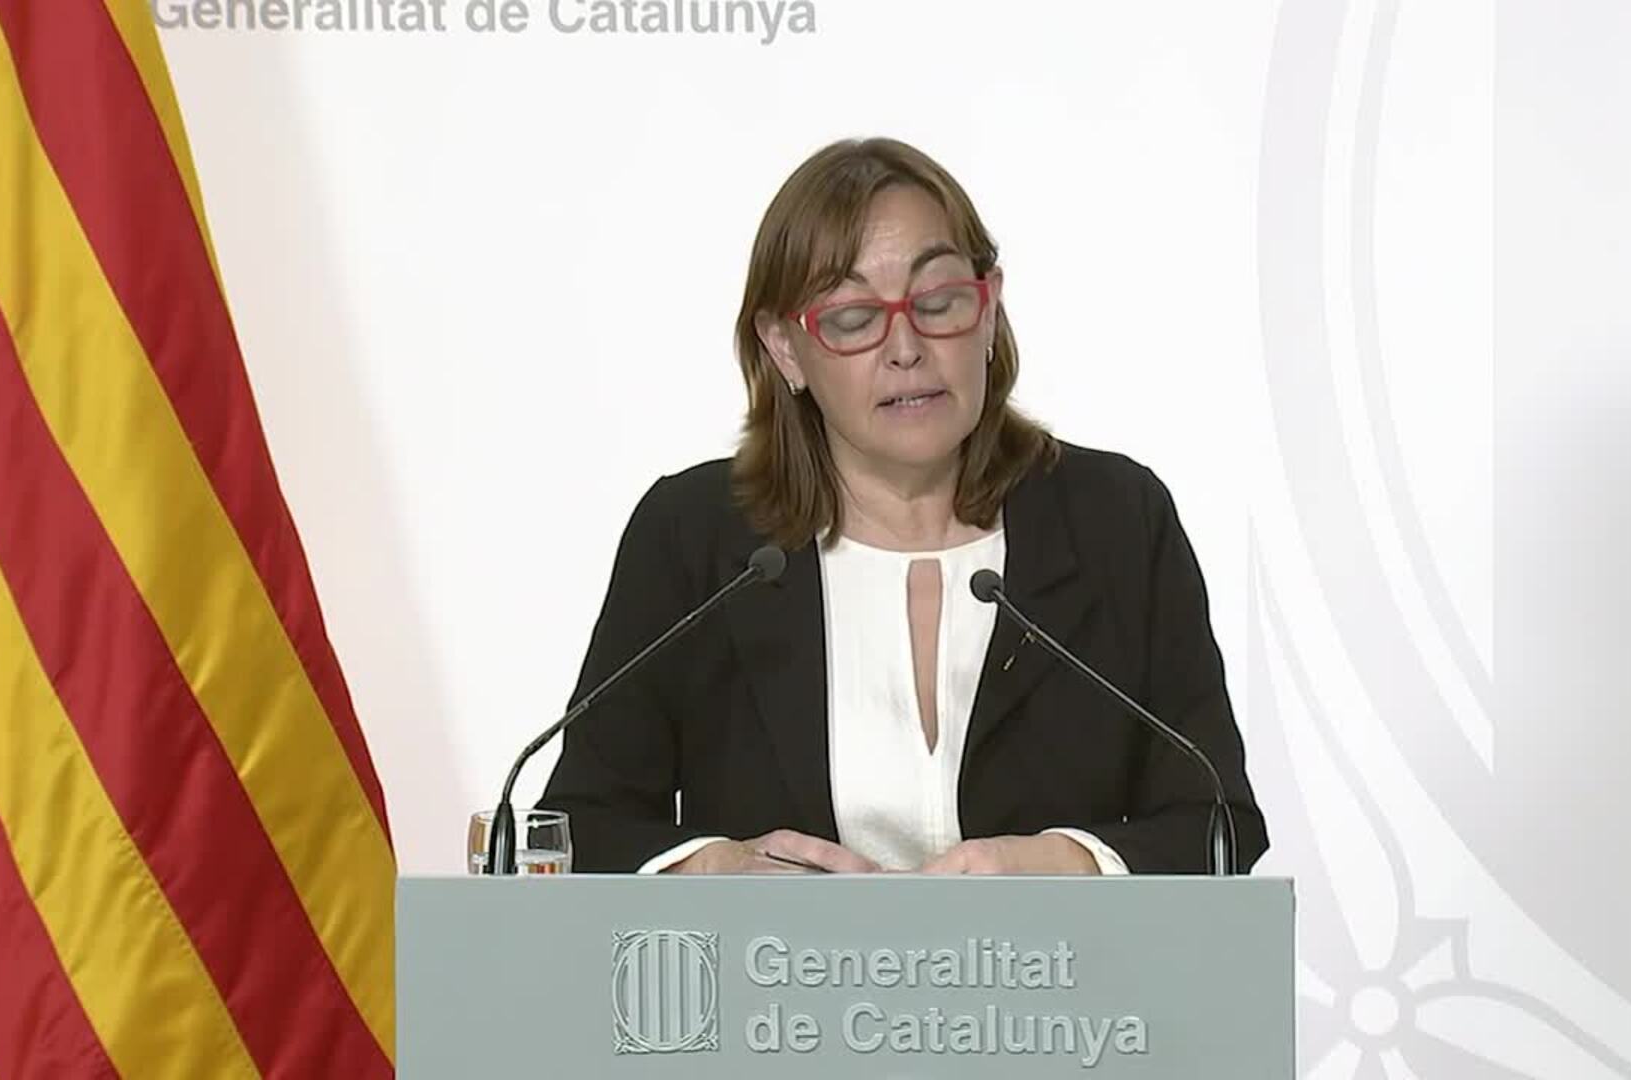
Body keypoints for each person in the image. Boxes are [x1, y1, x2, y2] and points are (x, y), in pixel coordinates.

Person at [538, 136, 1267, 876]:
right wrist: (716, 872)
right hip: (775, 956)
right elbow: (582, 824)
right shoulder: (696, 537)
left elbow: (1218, 824)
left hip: (1062, 957)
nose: (906, 347)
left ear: (989, 311)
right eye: (854, 318)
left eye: (939, 303)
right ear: (785, 347)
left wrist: (1063, 865)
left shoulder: (1115, 521)